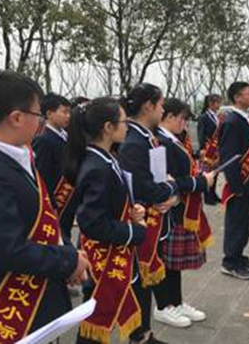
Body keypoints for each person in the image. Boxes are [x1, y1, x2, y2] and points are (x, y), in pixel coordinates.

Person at [0, 71, 91, 343]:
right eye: (38, 113)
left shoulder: (17, 155)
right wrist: (68, 260)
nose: (40, 121)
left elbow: (46, 214)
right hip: (12, 301)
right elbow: (7, 249)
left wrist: (68, 253)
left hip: (40, 290)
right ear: (16, 118)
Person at [64, 97, 147, 344]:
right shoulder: (96, 167)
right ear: (108, 128)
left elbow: (109, 204)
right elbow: (92, 222)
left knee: (99, 310)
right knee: (97, 311)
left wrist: (131, 211)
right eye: (123, 122)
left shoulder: (106, 158)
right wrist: (133, 232)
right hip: (101, 254)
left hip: (110, 248)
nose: (127, 126)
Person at [118, 83, 178, 344]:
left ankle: (144, 333)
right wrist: (170, 189)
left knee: (145, 280)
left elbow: (160, 178)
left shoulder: (147, 137)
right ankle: (140, 335)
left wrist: (170, 194)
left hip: (154, 218)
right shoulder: (133, 141)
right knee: (139, 281)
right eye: (161, 104)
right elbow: (144, 187)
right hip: (142, 221)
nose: (163, 109)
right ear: (148, 106)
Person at [153, 99, 215, 328]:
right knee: (165, 260)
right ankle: (163, 306)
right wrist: (200, 182)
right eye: (182, 118)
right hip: (169, 209)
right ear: (169, 116)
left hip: (179, 206)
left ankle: (176, 302)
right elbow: (165, 179)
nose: (185, 124)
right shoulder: (160, 141)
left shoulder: (172, 139)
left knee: (173, 263)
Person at [218, 82, 249, 280]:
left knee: (245, 223)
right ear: (237, 97)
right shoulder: (232, 122)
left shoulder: (247, 119)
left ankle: (238, 256)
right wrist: (236, 186)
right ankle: (230, 262)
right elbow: (229, 156)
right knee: (236, 223)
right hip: (241, 183)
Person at [33, 93, 77, 241]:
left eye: (69, 112)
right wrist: (51, 204)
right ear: (49, 114)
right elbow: (42, 176)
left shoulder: (66, 137)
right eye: (64, 112)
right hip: (56, 203)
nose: (68, 116)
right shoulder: (44, 140)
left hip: (68, 200)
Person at [197, 94, 222, 205]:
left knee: (215, 171)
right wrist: (202, 147)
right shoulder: (204, 117)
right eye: (217, 102)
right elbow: (201, 133)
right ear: (211, 103)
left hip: (216, 149)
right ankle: (207, 196)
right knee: (207, 172)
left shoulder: (217, 117)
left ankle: (213, 193)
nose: (219, 105)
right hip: (208, 149)